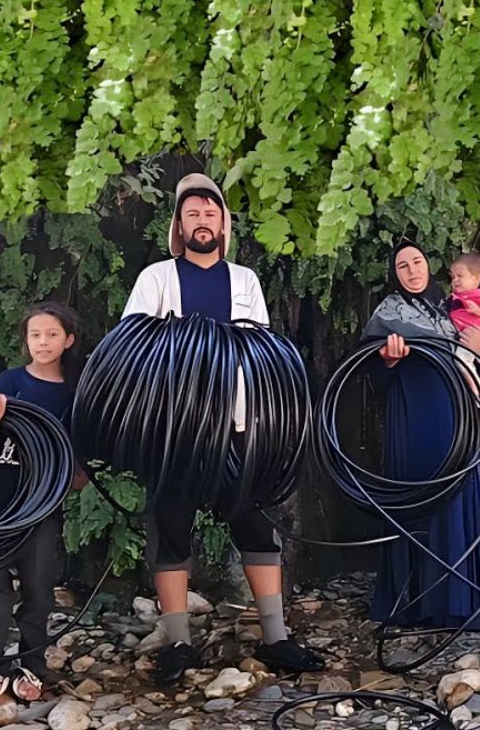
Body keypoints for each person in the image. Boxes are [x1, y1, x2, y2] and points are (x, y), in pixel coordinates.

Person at [122, 172, 324, 686]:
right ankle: (180, 644)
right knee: (171, 529)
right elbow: (132, 346)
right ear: (179, 225)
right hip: (170, 432)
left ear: (223, 225)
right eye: (192, 214)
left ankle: (276, 638)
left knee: (255, 527)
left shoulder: (245, 281)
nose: (202, 220)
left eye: (210, 213)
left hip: (236, 428)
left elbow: (259, 350)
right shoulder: (155, 279)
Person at [365, 241, 480, 630]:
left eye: (417, 261)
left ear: (429, 265)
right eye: (402, 266)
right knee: (416, 498)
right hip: (412, 416)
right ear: (395, 274)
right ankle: (411, 603)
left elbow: (478, 366)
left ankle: (459, 604)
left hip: (457, 418)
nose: (411, 270)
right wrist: (386, 360)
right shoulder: (387, 313)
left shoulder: (453, 308)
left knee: (455, 500)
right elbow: (369, 376)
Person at [0, 302, 88, 703]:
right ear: (26, 340)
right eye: (35, 334)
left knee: (39, 588)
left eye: (52, 334)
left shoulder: (76, 391)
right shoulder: (10, 381)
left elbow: (82, 449)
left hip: (42, 509)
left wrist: (78, 473)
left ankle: (31, 664)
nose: (43, 342)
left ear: (68, 340)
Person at [446, 251, 480, 405]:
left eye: (460, 276)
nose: (455, 280)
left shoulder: (477, 294)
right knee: (463, 362)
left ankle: (479, 393)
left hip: (475, 333)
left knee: (461, 362)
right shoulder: (455, 296)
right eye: (453, 277)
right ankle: (476, 393)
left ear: (476, 278)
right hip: (465, 334)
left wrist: (476, 310)